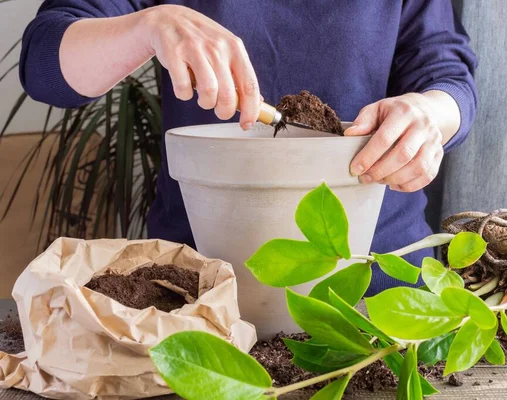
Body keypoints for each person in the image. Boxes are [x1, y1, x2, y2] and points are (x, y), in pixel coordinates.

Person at [20, 1, 477, 295]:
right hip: (196, 290)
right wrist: (147, 26)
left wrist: (428, 113)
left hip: (380, 287)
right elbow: (45, 63)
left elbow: (450, 78)